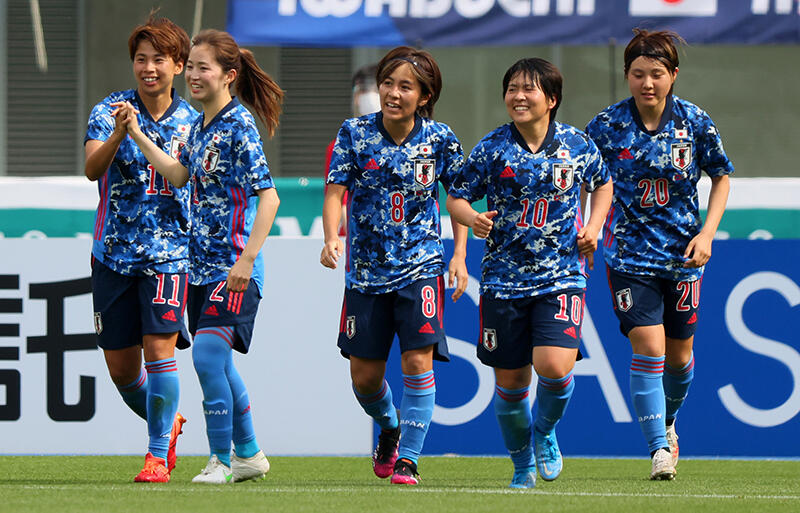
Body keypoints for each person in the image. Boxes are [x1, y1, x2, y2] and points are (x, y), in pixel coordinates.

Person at [117, 28, 282, 484]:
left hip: (234, 268)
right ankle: (248, 452)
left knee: (207, 358)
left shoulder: (239, 125)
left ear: (228, 75)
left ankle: (221, 460)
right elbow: (179, 173)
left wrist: (247, 260)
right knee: (220, 363)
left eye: (201, 67)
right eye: (190, 66)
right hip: (201, 268)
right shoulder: (198, 126)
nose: (192, 75)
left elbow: (268, 199)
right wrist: (136, 133)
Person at [447, 58, 612, 489]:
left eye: (529, 89)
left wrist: (593, 227)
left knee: (555, 367)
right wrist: (473, 218)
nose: (518, 96)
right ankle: (521, 465)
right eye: (512, 89)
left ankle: (545, 432)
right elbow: (457, 197)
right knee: (511, 383)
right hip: (503, 282)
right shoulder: (491, 148)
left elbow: (603, 182)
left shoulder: (577, 145)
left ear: (551, 99)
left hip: (561, 276)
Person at [585, 29, 733, 480]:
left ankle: (667, 422)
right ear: (626, 76)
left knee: (679, 360)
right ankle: (657, 451)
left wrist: (708, 234)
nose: (647, 83)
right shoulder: (606, 126)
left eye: (656, 74)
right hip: (629, 258)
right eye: (637, 74)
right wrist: (589, 231)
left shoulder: (695, 122)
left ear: (672, 76)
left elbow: (722, 176)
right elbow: (581, 182)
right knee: (647, 348)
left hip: (685, 259)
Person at [320, 46, 469, 486]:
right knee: (364, 379)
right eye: (388, 83)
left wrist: (459, 254)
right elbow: (334, 192)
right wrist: (331, 237)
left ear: (424, 96)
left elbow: (457, 199)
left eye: (405, 86)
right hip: (365, 275)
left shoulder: (440, 138)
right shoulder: (353, 133)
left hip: (421, 267)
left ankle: (409, 459)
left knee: (417, 363)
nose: (392, 93)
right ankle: (389, 425)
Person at [84, 11, 196, 483]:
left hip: (170, 255)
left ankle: (154, 457)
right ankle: (167, 425)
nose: (149, 68)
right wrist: (119, 132)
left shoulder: (195, 120)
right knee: (122, 371)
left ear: (179, 65)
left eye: (160, 59)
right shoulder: (108, 109)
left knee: (159, 348)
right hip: (112, 253)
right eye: (141, 59)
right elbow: (92, 170)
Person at [323, 63, 381, 236]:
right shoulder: (340, 145)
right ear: (355, 96)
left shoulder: (405, 145)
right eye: (362, 90)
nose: (367, 96)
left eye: (373, 89)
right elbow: (336, 199)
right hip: (353, 243)